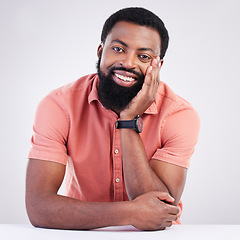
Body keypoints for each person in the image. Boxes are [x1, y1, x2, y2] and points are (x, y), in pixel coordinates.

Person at [26, 7, 200, 231]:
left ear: (158, 66)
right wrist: (132, 212)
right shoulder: (58, 105)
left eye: (144, 56)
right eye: (118, 49)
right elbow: (39, 207)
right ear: (100, 51)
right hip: (79, 235)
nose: (128, 63)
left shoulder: (178, 115)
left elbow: (160, 210)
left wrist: (128, 121)